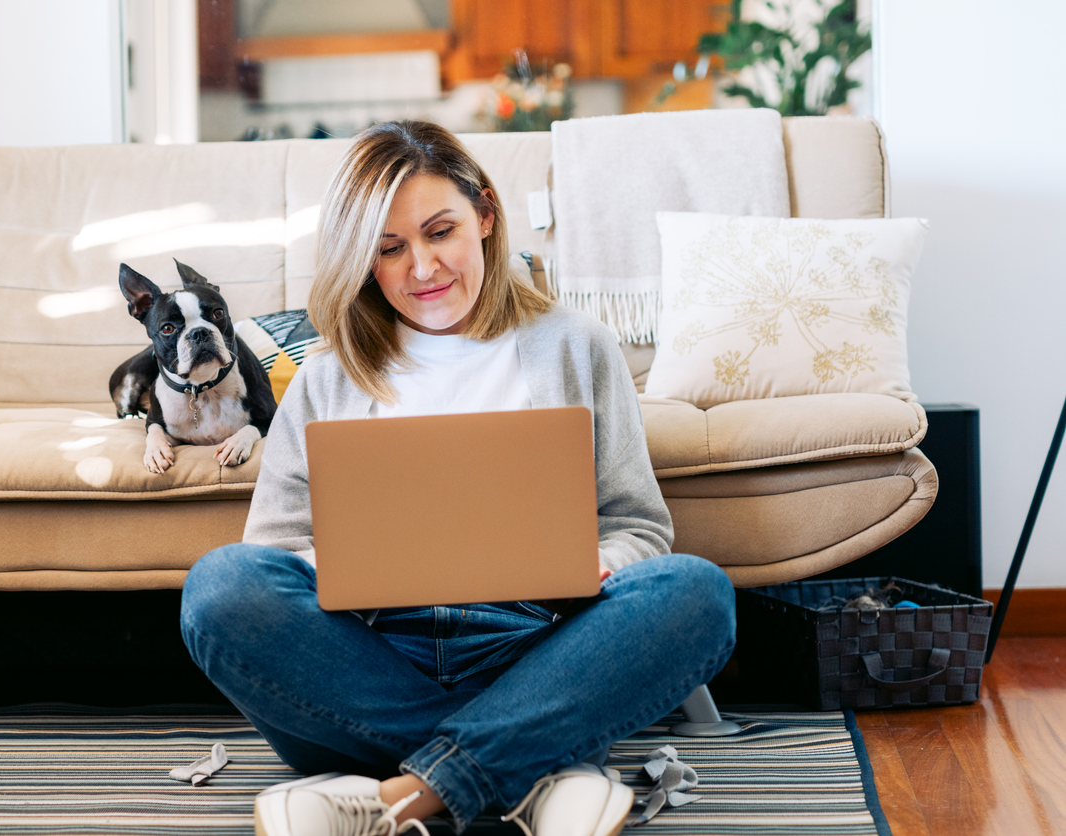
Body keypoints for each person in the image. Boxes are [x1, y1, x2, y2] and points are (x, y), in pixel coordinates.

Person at [180, 120, 736, 836]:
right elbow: (272, 557)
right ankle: (532, 769)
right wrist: (346, 566)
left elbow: (638, 527)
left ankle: (394, 797)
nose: (422, 269)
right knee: (219, 587)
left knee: (697, 594)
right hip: (370, 663)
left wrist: (603, 561)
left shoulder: (578, 348)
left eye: (439, 231)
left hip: (538, 650)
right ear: (365, 263)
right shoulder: (325, 380)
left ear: (485, 214)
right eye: (389, 250)